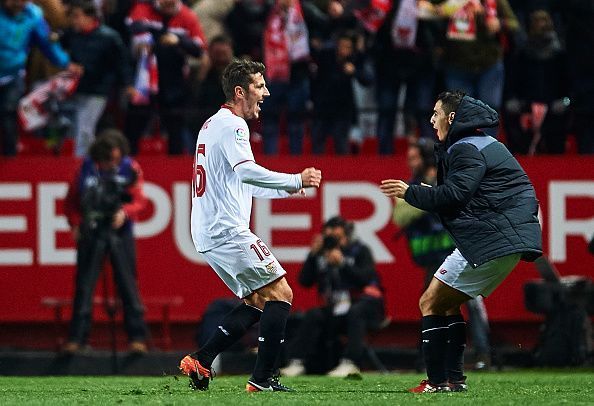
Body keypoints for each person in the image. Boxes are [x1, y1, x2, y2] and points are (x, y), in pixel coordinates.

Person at [380, 91, 542, 393]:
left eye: (436, 113)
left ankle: (437, 381)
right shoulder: (482, 143)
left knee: (429, 302)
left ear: (451, 118)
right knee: (448, 303)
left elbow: (455, 194)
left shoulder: (465, 149)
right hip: (500, 237)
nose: (431, 119)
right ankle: (454, 380)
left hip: (490, 237)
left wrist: (410, 191)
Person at [178, 58, 322, 392]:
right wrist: (295, 176)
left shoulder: (212, 124)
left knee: (259, 301)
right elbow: (246, 171)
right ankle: (262, 380)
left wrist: (290, 188)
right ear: (240, 92)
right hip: (226, 229)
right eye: (260, 86)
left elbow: (241, 182)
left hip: (207, 231)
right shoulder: (234, 126)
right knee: (281, 293)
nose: (267, 93)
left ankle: (201, 359)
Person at [394, 138, 492, 371]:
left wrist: (432, 194)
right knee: (430, 302)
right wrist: (429, 196)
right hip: (433, 258)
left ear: (427, 158)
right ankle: (426, 356)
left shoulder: (449, 177)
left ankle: (484, 354)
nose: (410, 163)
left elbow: (464, 203)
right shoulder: (411, 186)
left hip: (460, 251)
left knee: (472, 301)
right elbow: (400, 217)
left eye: (414, 158)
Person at [63, 129, 149, 354]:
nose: (113, 162)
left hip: (120, 230)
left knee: (127, 284)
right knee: (84, 285)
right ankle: (77, 339)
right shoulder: (85, 168)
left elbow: (140, 200)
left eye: (116, 158)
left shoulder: (130, 167)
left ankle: (137, 337)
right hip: (91, 230)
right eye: (109, 158)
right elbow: (71, 201)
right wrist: (74, 223)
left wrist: (125, 212)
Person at [280, 216, 385, 377]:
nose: (333, 242)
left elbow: (365, 278)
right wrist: (313, 255)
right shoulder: (322, 256)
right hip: (336, 308)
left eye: (337, 238)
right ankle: (297, 362)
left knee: (356, 312)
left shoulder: (360, 251)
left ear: (347, 236)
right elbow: (305, 281)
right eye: (329, 238)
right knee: (314, 314)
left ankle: (350, 363)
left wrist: (343, 264)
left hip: (364, 305)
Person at [125, 0, 207, 155]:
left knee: (175, 128)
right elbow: (131, 27)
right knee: (135, 125)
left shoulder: (187, 16)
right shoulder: (143, 8)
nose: (168, 5)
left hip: (173, 83)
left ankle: (175, 167)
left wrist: (178, 40)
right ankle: (128, 165)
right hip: (144, 82)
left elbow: (199, 48)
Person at [61, 0, 135, 157]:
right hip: (73, 90)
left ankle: (80, 163)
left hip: (97, 90)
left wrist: (128, 85)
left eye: (77, 16)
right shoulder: (71, 34)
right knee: (72, 127)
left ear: (90, 17)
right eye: (72, 16)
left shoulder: (109, 37)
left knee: (85, 129)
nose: (74, 20)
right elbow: (57, 50)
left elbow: (122, 63)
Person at [0, 0, 73, 156]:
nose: (19, 4)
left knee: (8, 113)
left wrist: (65, 62)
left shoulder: (33, 15)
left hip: (13, 74)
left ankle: (9, 159)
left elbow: (47, 43)